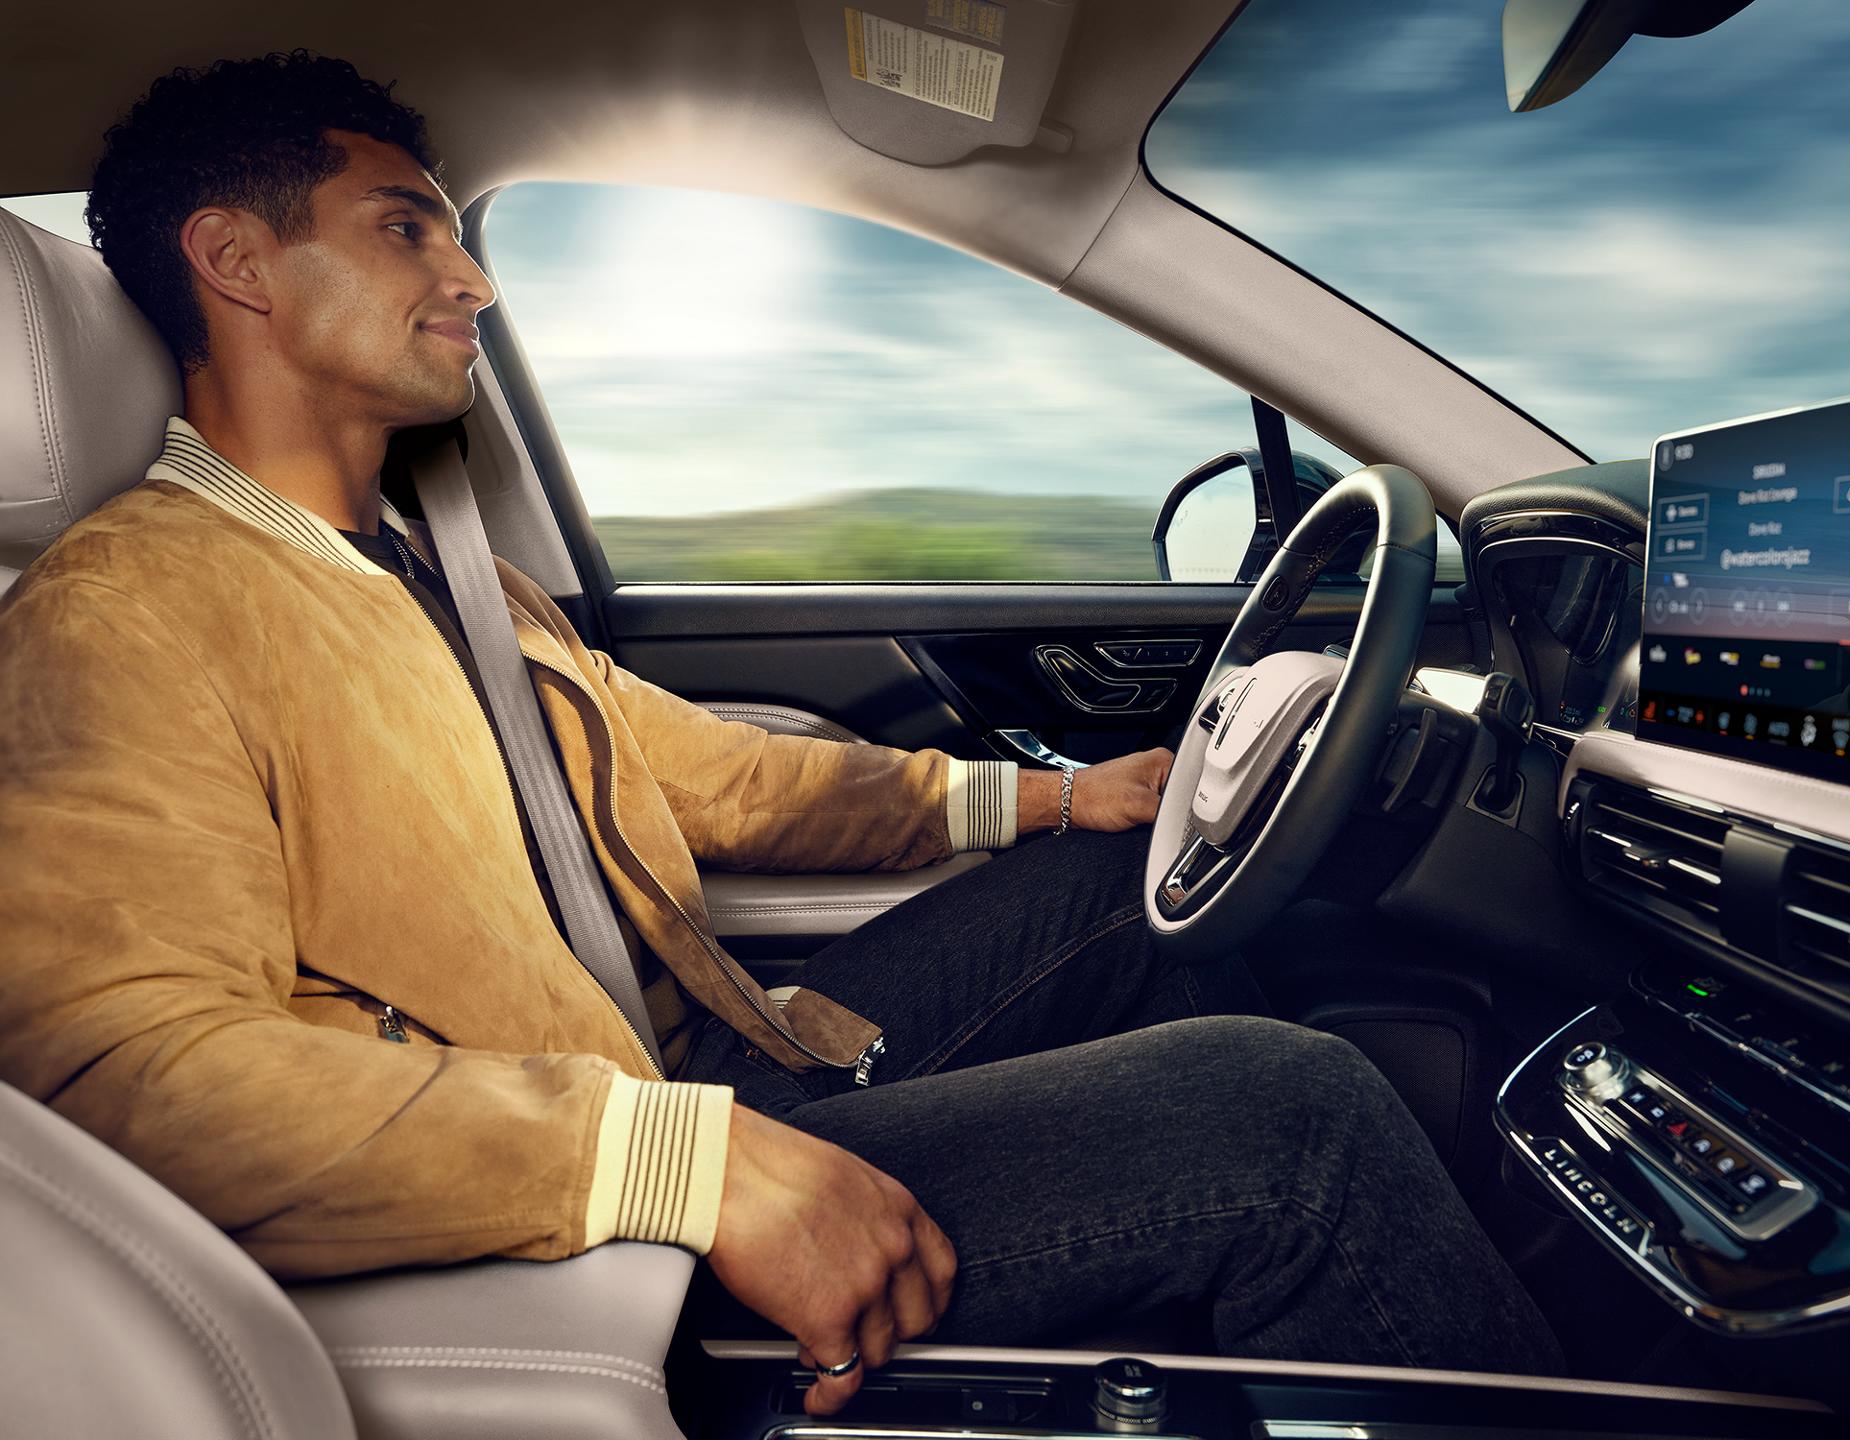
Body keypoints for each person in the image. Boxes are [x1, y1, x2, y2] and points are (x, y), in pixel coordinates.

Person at [0, 52, 1562, 1414]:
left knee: (1132, 874)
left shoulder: (457, 585)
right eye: (408, 228)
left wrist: (1049, 799)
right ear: (238, 262)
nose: (473, 282)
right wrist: (670, 1163)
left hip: (711, 1077)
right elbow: (122, 1075)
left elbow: (721, 775)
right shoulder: (122, 613)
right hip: (588, 1232)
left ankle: (1207, 1304)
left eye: (462, 238)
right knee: (1291, 1116)